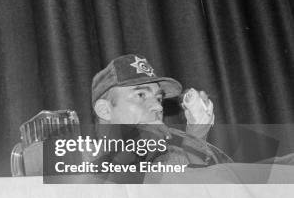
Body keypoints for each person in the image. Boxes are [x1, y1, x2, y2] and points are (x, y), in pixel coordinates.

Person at [91, 54, 230, 169]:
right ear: (105, 111)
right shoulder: (79, 162)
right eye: (141, 95)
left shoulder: (172, 158)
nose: (159, 107)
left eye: (158, 98)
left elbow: (198, 194)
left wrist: (197, 137)